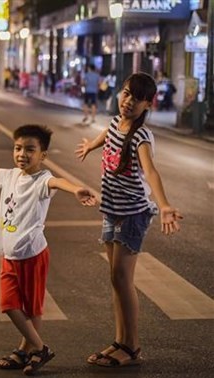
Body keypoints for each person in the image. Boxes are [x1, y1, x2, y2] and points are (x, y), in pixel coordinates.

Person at [74, 72, 182, 368]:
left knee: (122, 277)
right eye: (125, 94)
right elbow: (106, 135)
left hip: (131, 213)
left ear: (148, 104)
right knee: (115, 279)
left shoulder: (141, 136)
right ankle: (120, 341)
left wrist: (164, 205)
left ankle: (132, 347)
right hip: (111, 208)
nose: (128, 101)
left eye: (136, 98)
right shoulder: (115, 123)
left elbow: (151, 172)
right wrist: (91, 146)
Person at [0, 125, 97, 375]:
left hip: (32, 254)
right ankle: (38, 348)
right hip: (9, 254)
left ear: (43, 155)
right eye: (18, 148)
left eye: (30, 149)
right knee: (9, 305)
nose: (22, 154)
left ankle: (28, 350)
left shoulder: (41, 181)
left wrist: (76, 190)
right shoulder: (12, 175)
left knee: (31, 308)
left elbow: (57, 182)